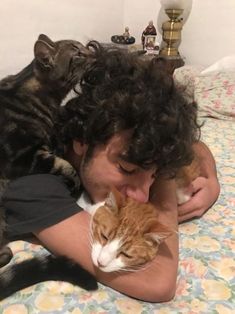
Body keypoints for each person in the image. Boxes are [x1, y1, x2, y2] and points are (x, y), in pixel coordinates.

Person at [2, 45, 220, 302]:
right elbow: (157, 283)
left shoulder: (90, 127)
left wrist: (212, 180)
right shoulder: (33, 179)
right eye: (127, 169)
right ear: (82, 141)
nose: (141, 196)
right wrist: (165, 193)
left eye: (154, 174)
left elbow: (197, 146)